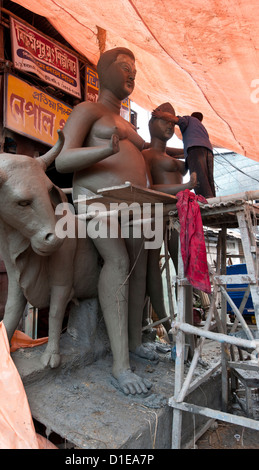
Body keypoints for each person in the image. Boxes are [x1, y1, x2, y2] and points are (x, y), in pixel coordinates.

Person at [55, 47, 154, 396]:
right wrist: (105, 151)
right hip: (95, 197)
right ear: (102, 70)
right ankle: (120, 366)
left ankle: (135, 343)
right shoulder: (87, 110)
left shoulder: (127, 122)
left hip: (136, 202)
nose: (132, 74)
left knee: (139, 268)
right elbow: (64, 160)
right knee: (118, 261)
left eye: (134, 70)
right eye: (125, 67)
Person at [143, 102, 197, 337]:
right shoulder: (145, 155)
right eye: (164, 121)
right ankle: (165, 322)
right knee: (153, 268)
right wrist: (183, 186)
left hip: (180, 213)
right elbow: (149, 186)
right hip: (157, 213)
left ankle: (187, 322)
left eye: (173, 122)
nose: (169, 126)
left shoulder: (169, 154)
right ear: (151, 124)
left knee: (184, 267)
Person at [152, 109, 215, 198]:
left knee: (199, 177)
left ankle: (205, 199)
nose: (170, 127)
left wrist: (161, 115)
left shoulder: (189, 119)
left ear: (192, 115)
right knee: (209, 179)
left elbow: (175, 119)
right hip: (208, 151)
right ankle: (213, 200)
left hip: (195, 148)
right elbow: (191, 152)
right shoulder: (201, 127)